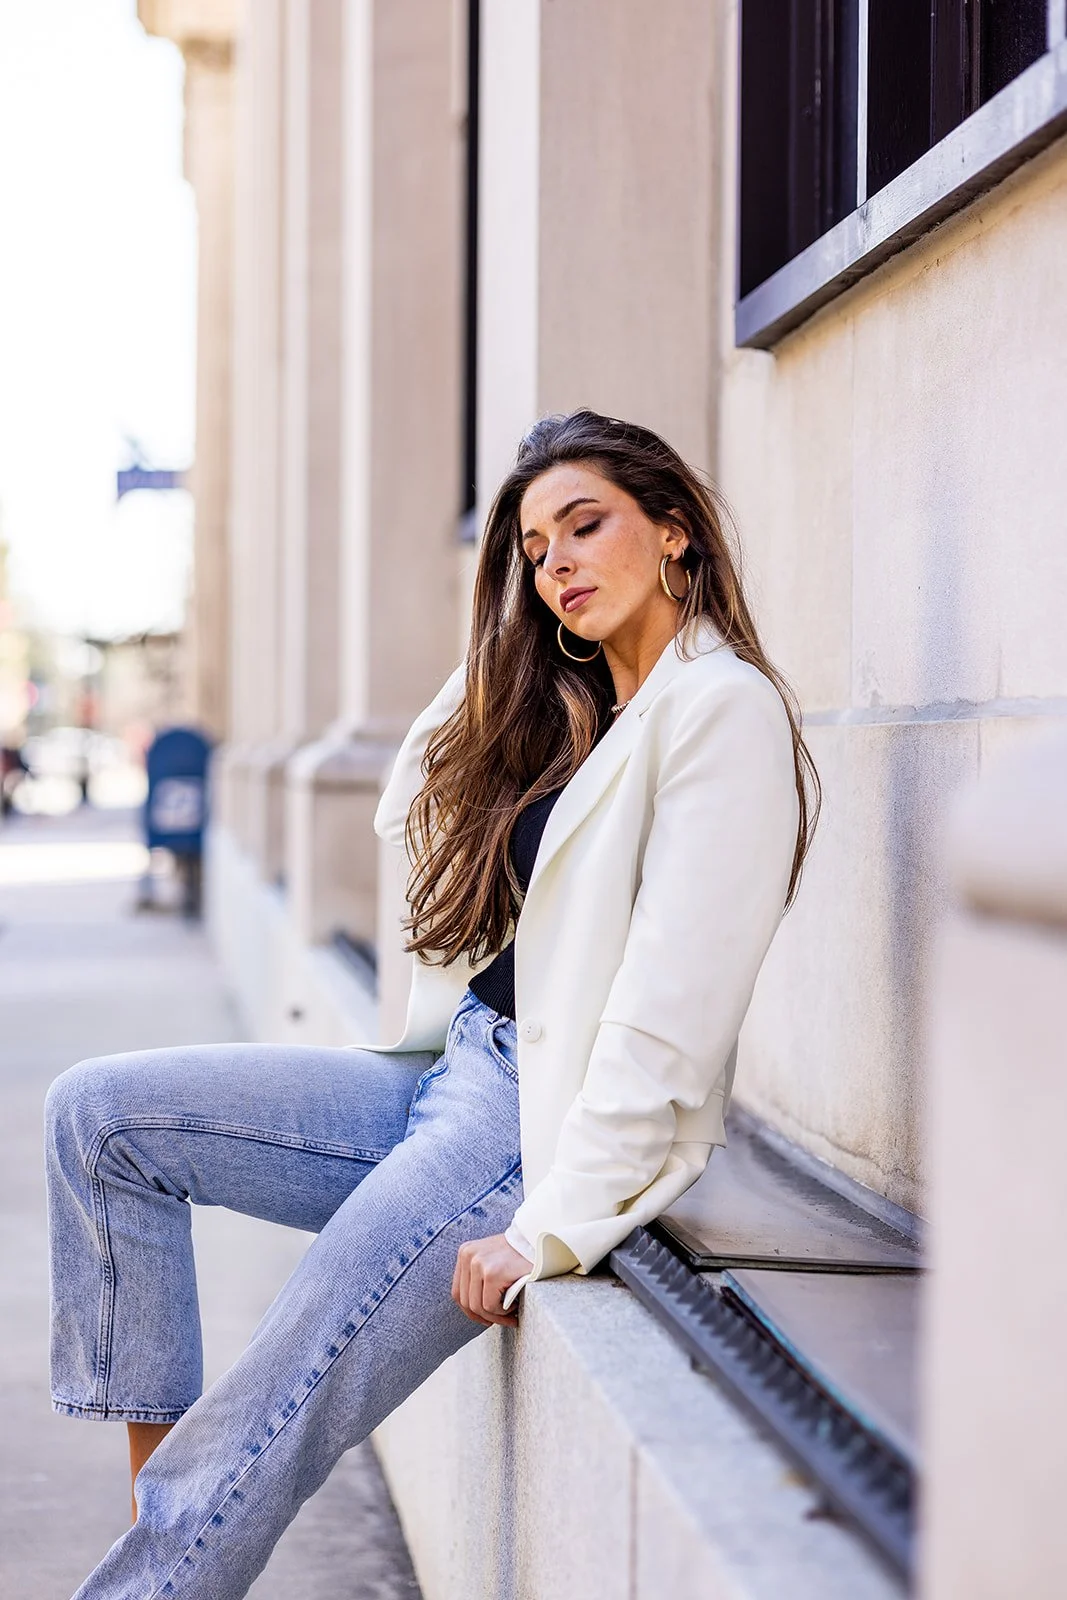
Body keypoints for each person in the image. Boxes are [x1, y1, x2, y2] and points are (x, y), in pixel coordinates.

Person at [45, 410, 819, 1598]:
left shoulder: (721, 712)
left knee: (279, 1396)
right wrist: (512, 634)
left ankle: (159, 1572)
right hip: (451, 1069)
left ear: (673, 530)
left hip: (521, 1129)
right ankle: (163, 1526)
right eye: (533, 548)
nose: (556, 564)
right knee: (100, 1120)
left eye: (584, 526)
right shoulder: (583, 705)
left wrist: (551, 1224)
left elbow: (674, 1014)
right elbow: (410, 787)